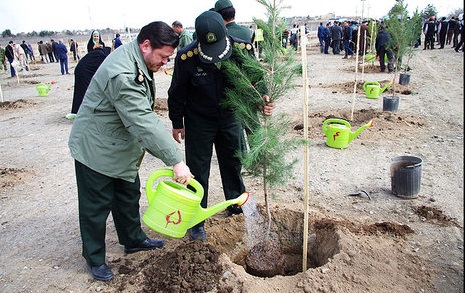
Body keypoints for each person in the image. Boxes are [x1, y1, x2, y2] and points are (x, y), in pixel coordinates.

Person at [68, 21, 193, 282]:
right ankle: (94, 257)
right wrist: (176, 160)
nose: (164, 63)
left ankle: (133, 239)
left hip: (119, 144)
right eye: (162, 57)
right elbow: (143, 120)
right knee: (95, 207)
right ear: (145, 45)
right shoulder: (122, 74)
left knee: (127, 194)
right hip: (96, 147)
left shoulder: (138, 58)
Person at [167, 10, 273, 243]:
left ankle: (236, 205)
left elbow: (256, 78)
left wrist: (263, 95)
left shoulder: (241, 48)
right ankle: (196, 220)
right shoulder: (187, 57)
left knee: (233, 162)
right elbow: (177, 92)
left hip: (230, 116)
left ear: (226, 33)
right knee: (197, 170)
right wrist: (177, 122)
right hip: (198, 120)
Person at [67, 49, 108, 118]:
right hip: (84, 73)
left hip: (80, 70)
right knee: (87, 91)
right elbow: (103, 70)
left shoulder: (98, 54)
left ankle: (77, 110)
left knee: (80, 91)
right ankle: (86, 111)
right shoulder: (101, 56)